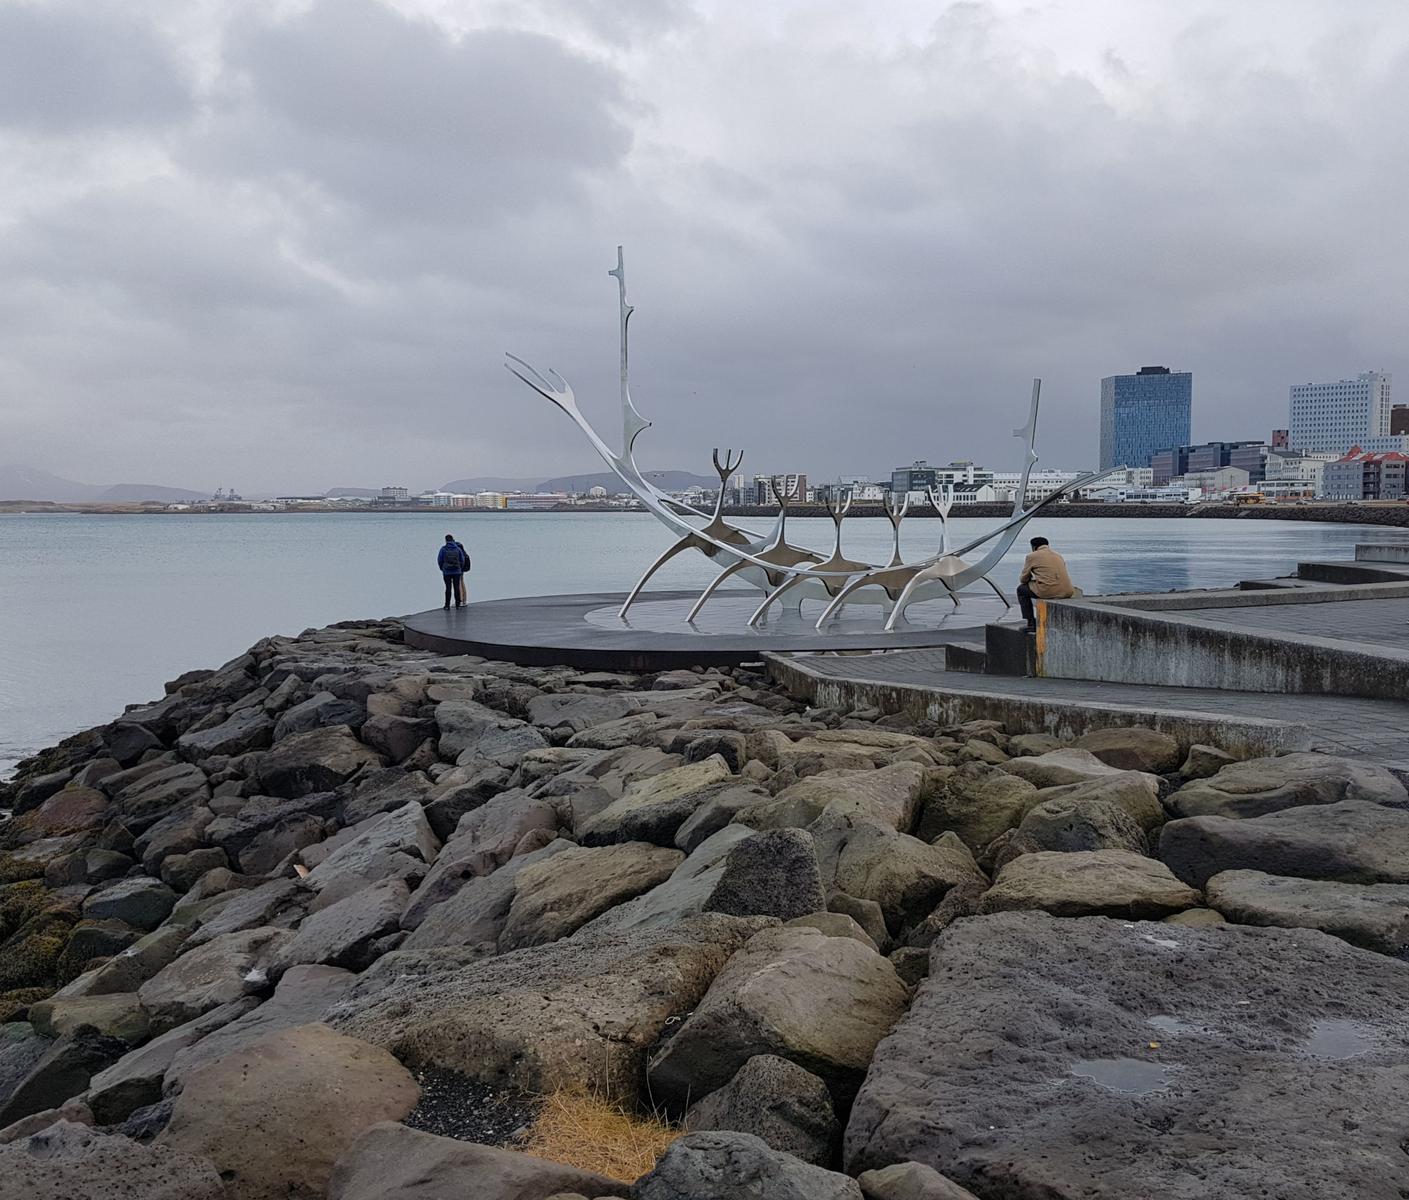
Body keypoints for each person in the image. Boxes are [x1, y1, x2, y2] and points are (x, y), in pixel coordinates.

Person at [1016, 536, 1076, 632]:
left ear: (1033, 546)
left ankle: (1031, 623)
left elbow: (1023, 579)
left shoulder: (1032, 556)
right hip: (1068, 591)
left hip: (1049, 591)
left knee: (1021, 590)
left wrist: (1031, 579)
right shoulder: (1058, 555)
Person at [437, 534, 470, 609]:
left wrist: (442, 568)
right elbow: (462, 559)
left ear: (446, 540)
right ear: (453, 540)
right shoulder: (458, 548)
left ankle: (447, 605)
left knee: (448, 588)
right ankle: (459, 604)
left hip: (447, 572)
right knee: (457, 587)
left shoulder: (443, 549)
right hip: (457, 571)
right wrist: (459, 568)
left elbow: (440, 560)